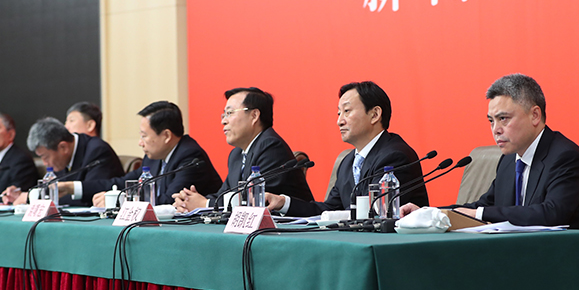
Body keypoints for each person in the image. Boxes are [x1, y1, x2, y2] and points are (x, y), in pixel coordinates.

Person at [401, 73, 579, 230]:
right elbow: (484, 205)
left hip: (567, 260)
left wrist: (479, 214)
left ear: (535, 115)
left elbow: (551, 214)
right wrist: (428, 213)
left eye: (503, 118)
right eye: (491, 121)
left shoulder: (565, 157)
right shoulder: (509, 161)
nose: (495, 129)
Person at [266, 81, 428, 216]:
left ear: (375, 115)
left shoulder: (395, 156)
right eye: (339, 113)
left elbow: (376, 213)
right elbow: (329, 209)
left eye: (347, 111)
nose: (339, 121)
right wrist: (283, 202)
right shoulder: (348, 161)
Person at [173, 87, 313, 211]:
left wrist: (205, 204)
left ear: (254, 116)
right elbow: (225, 194)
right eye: (224, 114)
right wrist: (189, 201)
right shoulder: (237, 154)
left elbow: (255, 199)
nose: (223, 121)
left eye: (230, 113)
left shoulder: (271, 146)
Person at [62, 101, 223, 206]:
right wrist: (73, 187)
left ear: (166, 136)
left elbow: (169, 201)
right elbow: (123, 182)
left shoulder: (191, 157)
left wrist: (118, 201)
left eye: (144, 136)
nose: (140, 143)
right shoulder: (154, 156)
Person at [0, 117, 124, 205]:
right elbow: (55, 189)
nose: (44, 163)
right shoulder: (62, 157)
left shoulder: (97, 150)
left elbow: (91, 195)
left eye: (45, 157)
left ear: (63, 147)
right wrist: (24, 194)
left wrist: (33, 197)